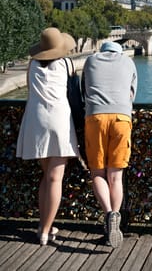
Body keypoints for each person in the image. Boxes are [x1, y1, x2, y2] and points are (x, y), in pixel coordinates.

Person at [16, 27, 80, 246]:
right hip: (59, 120)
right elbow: (74, 93)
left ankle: (44, 225)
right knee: (55, 178)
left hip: (35, 120)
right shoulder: (68, 64)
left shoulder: (31, 65)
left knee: (47, 177)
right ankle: (44, 231)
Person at [81, 41, 137, 248]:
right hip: (122, 118)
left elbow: (83, 91)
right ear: (119, 52)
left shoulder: (90, 60)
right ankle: (116, 221)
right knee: (116, 176)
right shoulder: (128, 62)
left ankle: (109, 215)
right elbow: (132, 94)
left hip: (95, 118)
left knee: (97, 173)